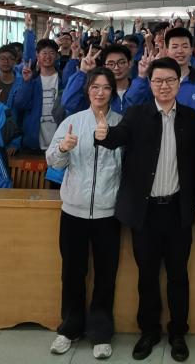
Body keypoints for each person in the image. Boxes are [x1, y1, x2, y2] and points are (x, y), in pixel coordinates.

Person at [93, 57, 195, 362]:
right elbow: (118, 137)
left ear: (179, 83)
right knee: (148, 275)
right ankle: (149, 331)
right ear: (150, 83)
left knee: (179, 275)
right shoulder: (137, 114)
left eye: (170, 80)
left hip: (178, 210)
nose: (164, 86)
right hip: (146, 212)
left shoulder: (191, 118)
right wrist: (104, 135)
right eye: (158, 81)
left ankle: (178, 333)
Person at [46, 68, 124, 360]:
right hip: (73, 211)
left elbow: (127, 167)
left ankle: (101, 333)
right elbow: (53, 161)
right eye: (95, 87)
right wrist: (63, 148)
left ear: (112, 92)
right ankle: (69, 328)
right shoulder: (73, 121)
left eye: (106, 87)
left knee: (105, 275)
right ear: (87, 90)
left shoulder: (121, 123)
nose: (100, 92)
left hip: (108, 213)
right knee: (72, 273)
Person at [124, 28, 195, 116]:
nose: (180, 51)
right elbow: (132, 102)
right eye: (175, 47)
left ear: (191, 50)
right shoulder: (154, 79)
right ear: (167, 51)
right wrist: (142, 76)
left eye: (185, 46)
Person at [11, 37, 67, 155]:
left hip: (60, 143)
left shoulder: (63, 79)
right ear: (37, 55)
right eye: (44, 53)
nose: (48, 56)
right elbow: (20, 104)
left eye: (52, 53)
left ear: (57, 55)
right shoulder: (31, 80)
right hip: (33, 143)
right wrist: (26, 83)